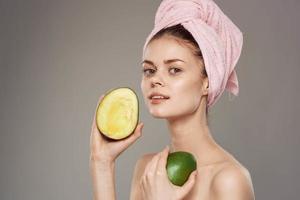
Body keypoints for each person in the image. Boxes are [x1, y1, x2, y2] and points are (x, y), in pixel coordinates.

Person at [90, 0, 255, 199]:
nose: (155, 80)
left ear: (208, 81)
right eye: (149, 70)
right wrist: (101, 164)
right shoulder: (147, 170)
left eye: (174, 69)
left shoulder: (229, 180)